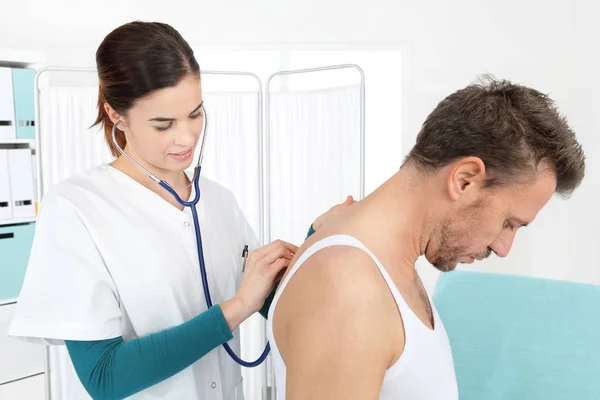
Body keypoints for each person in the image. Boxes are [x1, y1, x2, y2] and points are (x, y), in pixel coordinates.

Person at [7, 21, 351, 400]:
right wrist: (236, 308)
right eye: (163, 124)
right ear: (115, 114)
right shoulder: (76, 208)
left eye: (195, 113)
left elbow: (270, 300)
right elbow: (104, 377)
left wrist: (316, 239)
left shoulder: (218, 200)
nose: (186, 137)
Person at [266, 77, 586, 399]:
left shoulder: (384, 267)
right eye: (508, 222)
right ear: (464, 180)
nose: (503, 248)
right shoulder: (349, 291)